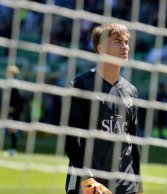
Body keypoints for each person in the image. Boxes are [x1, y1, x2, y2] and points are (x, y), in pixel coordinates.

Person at [65, 23, 144, 194]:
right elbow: (70, 138)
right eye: (117, 41)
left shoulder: (131, 91)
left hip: (125, 184)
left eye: (126, 42)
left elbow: (133, 139)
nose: (125, 46)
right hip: (89, 183)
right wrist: (86, 178)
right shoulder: (81, 85)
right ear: (100, 48)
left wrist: (138, 179)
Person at [4, 65, 23, 157]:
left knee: (12, 130)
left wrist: (13, 107)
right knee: (11, 130)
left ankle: (13, 149)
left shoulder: (15, 84)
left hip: (14, 111)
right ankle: (12, 149)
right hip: (9, 110)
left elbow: (19, 98)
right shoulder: (10, 83)